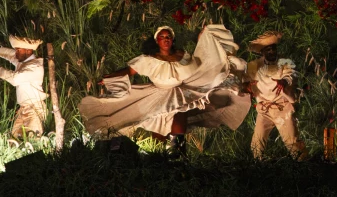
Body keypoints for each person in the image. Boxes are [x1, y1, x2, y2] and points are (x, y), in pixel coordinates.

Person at [79, 23, 249, 150]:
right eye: (163, 37)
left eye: (168, 37)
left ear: (172, 39)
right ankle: (159, 154)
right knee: (159, 124)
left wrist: (203, 40)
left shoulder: (182, 54)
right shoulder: (149, 59)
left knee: (180, 112)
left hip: (182, 90)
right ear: (157, 40)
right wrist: (111, 76)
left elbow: (200, 63)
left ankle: (177, 151)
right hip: (159, 93)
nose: (166, 39)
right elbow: (130, 71)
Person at [240, 31, 307, 159]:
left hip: (282, 108)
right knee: (257, 144)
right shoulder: (254, 65)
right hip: (264, 109)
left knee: (293, 142)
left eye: (273, 49)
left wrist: (284, 81)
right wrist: (245, 86)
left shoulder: (285, 62)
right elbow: (243, 81)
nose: (271, 52)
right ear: (262, 52)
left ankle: (302, 166)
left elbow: (291, 75)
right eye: (268, 50)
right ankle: (259, 168)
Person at [0, 34, 47, 142]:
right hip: (23, 109)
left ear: (28, 51)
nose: (16, 53)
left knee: (33, 141)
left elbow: (15, 79)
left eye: (18, 50)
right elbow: (11, 55)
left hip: (34, 110)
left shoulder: (35, 66)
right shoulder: (23, 61)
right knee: (14, 140)